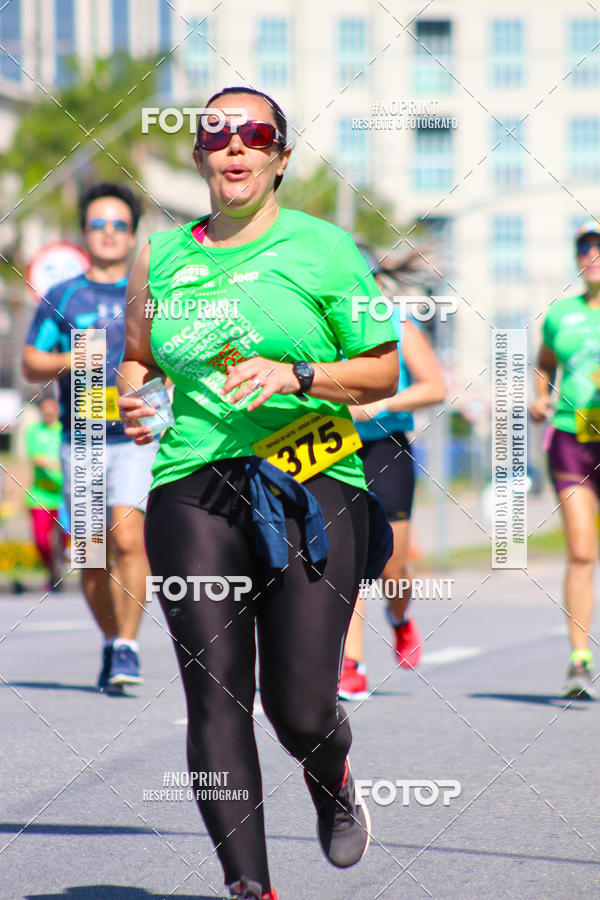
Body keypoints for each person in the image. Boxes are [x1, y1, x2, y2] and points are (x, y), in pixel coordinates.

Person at [117, 86, 399, 900]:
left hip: (312, 475)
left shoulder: (327, 250)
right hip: (193, 481)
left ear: (280, 158)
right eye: (218, 134)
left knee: (301, 709)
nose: (234, 147)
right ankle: (250, 889)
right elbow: (139, 354)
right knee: (214, 695)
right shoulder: (160, 258)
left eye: (255, 135)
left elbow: (384, 370)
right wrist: (136, 395)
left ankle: (332, 776)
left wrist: (298, 373)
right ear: (200, 154)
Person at [22, 183, 156, 692]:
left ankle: (128, 645)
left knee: (127, 537)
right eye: (98, 224)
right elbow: (31, 362)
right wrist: (73, 360)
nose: (108, 234)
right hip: (81, 440)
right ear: (84, 233)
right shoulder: (64, 296)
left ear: (133, 234)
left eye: (119, 225)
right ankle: (110, 640)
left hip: (135, 436)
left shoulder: (149, 294)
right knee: (90, 556)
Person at [340, 248, 446, 699]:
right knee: (346, 559)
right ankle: (351, 663)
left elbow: (435, 386)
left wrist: (383, 404)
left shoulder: (398, 322)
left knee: (392, 564)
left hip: (388, 447)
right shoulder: (320, 328)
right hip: (335, 450)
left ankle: (400, 617)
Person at [531, 218, 600, 700]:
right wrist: (539, 396)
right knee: (581, 550)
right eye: (584, 247)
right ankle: (579, 659)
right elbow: (545, 362)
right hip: (571, 438)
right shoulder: (561, 315)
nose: (591, 255)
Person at [24, 396, 66, 592]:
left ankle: (59, 568)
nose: (49, 412)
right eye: (45, 408)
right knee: (41, 539)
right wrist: (57, 465)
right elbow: (37, 458)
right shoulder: (34, 431)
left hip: (64, 496)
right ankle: (51, 570)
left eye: (52, 408)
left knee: (65, 536)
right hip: (40, 496)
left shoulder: (64, 430)